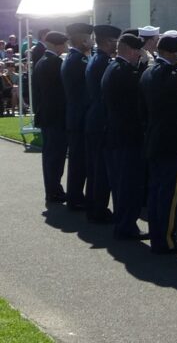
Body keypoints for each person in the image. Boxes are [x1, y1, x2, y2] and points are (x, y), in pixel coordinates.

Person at [140, 35, 177, 254]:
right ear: (173, 53)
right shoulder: (165, 73)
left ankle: (158, 235)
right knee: (169, 193)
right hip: (171, 141)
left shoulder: (148, 72)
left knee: (157, 191)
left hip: (155, 138)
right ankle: (166, 239)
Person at [102, 33, 146, 240]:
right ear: (129, 50)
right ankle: (126, 225)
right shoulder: (125, 72)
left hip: (116, 133)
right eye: (138, 50)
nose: (140, 54)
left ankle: (124, 223)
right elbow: (138, 95)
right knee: (129, 184)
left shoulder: (114, 67)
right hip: (127, 135)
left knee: (122, 184)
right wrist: (145, 69)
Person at [85, 25, 121, 223]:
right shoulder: (104, 62)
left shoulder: (96, 58)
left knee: (95, 168)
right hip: (102, 119)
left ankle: (94, 206)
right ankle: (98, 209)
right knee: (101, 170)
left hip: (94, 117)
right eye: (116, 41)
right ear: (109, 41)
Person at [32, 31, 69, 204]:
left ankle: (53, 189)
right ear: (56, 45)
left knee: (50, 156)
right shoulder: (55, 63)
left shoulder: (42, 62)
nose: (66, 47)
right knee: (55, 156)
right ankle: (53, 191)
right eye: (63, 44)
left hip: (47, 115)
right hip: (56, 116)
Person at [61, 23, 94, 211]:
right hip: (80, 115)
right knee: (79, 161)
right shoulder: (78, 60)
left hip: (75, 115)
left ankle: (75, 196)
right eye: (90, 38)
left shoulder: (73, 58)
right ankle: (75, 198)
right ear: (83, 40)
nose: (92, 42)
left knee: (77, 160)